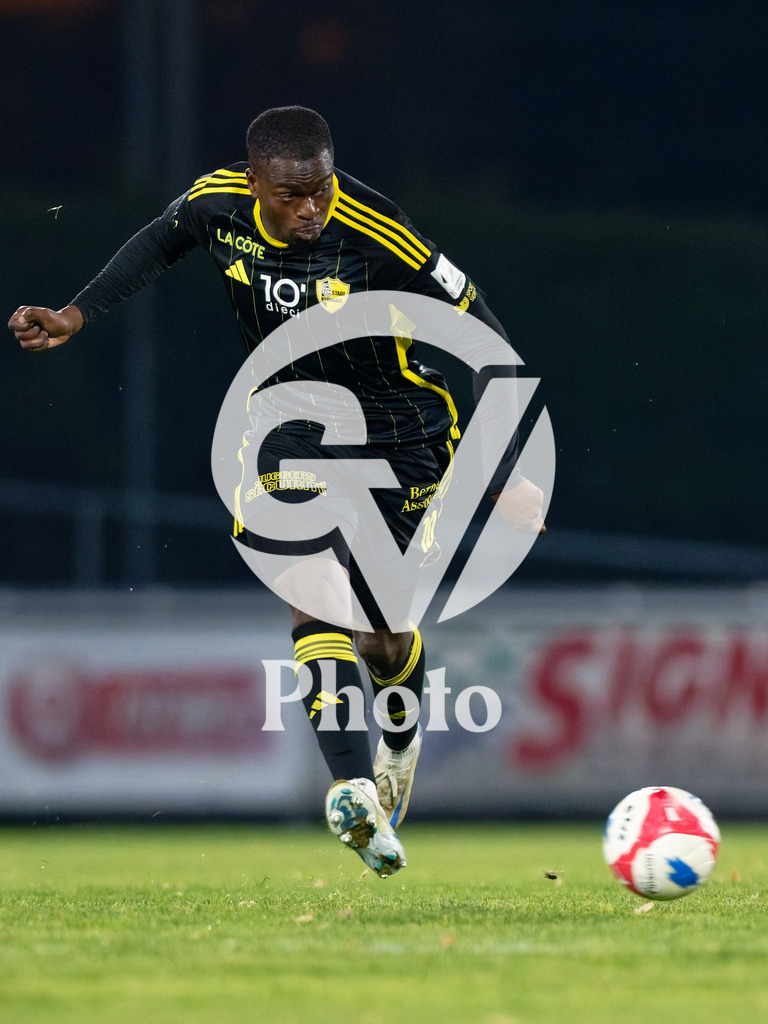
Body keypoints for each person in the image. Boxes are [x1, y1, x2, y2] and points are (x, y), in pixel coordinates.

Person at [8, 106, 544, 878]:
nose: (311, 208)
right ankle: (354, 791)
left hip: (402, 437)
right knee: (312, 585)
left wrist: (501, 468)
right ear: (255, 181)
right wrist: (74, 313)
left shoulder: (376, 228)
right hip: (289, 427)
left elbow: (481, 327)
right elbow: (159, 241)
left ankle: (400, 733)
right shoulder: (215, 205)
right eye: (292, 194)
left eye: (320, 189)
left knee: (384, 635)